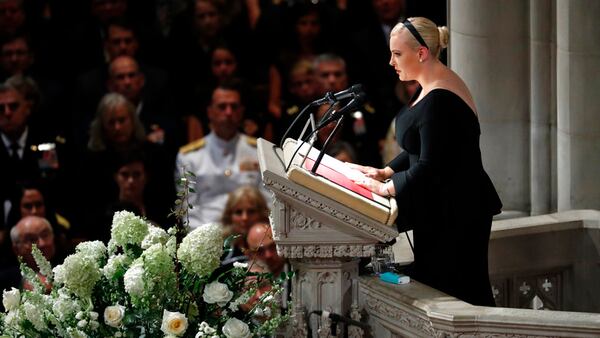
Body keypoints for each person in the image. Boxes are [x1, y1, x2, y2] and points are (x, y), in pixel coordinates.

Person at [351, 17, 502, 306]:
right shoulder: (432, 84)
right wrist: (386, 170)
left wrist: (385, 188)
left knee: (460, 294)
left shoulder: (440, 99)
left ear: (421, 53)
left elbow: (430, 164)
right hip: (443, 205)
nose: (391, 61)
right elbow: (423, 146)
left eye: (397, 54)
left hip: (456, 213)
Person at [175, 83, 265, 228]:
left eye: (234, 107)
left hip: (250, 235)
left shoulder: (258, 150)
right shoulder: (189, 157)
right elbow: (188, 208)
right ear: (210, 112)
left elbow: (266, 201)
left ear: (241, 111)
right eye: (222, 107)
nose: (228, 112)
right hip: (208, 235)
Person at [220, 185, 270, 266]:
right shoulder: (222, 252)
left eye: (251, 211)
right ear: (229, 216)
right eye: (238, 212)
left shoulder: (274, 249)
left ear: (262, 213)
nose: (245, 218)